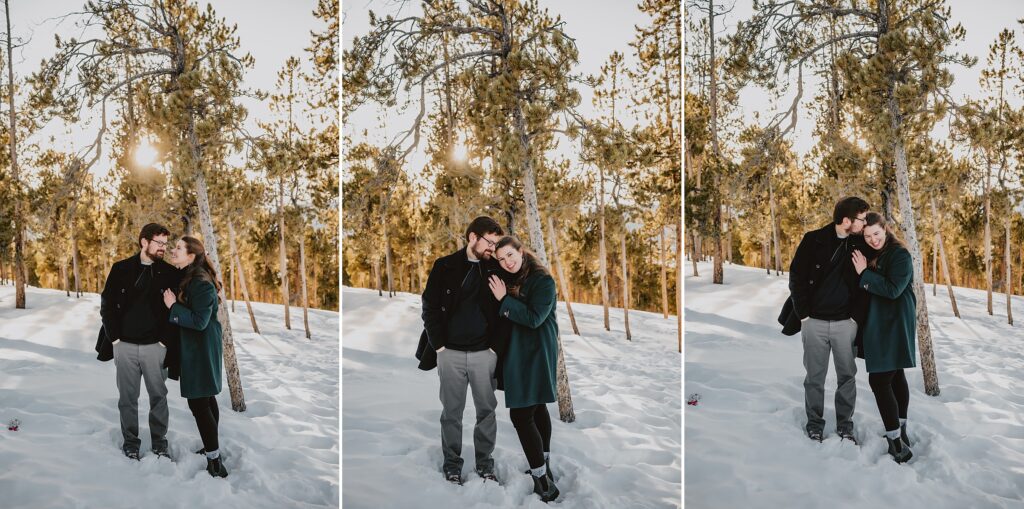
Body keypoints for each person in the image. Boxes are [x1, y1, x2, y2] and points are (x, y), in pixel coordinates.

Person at [415, 216, 507, 485]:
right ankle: (452, 464)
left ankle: (485, 463)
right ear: (472, 237)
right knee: (451, 413)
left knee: (486, 412)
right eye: (489, 242)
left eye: (496, 243)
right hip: (450, 354)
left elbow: (504, 311)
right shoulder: (444, 266)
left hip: (484, 354)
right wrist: (440, 346)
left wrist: (494, 349)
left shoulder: (495, 269)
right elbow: (429, 307)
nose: (492, 248)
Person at [778, 197, 872, 443]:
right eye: (862, 219)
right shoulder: (813, 239)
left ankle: (845, 425)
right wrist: (804, 315)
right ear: (846, 220)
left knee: (847, 378)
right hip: (814, 323)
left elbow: (866, 283)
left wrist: (855, 319)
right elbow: (796, 277)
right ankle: (814, 424)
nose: (865, 223)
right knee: (814, 378)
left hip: (845, 324)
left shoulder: (860, 244)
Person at [99, 223, 183, 461]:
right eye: (159, 243)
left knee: (159, 397)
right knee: (127, 399)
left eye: (165, 243)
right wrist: (115, 338)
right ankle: (131, 442)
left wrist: (164, 342)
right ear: (144, 242)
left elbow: (175, 310)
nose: (163, 248)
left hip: (156, 348)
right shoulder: (121, 268)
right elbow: (106, 305)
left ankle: (159, 442)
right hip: (124, 346)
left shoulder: (170, 273)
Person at [488, 236, 560, 503]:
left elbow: (534, 318)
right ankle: (545, 465)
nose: (507, 262)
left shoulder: (543, 281)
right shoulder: (512, 278)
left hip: (537, 352)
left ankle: (542, 481)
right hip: (519, 351)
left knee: (521, 414)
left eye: (510, 255)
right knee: (537, 407)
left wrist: (504, 300)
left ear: (521, 250)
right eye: (501, 259)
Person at [851, 212, 917, 463]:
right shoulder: (876, 253)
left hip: (895, 322)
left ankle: (896, 444)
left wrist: (863, 274)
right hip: (883, 320)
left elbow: (893, 289)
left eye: (876, 233)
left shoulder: (900, 255)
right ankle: (900, 430)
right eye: (868, 236)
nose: (873, 239)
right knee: (895, 374)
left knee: (879, 380)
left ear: (886, 228)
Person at [162, 236, 228, 478]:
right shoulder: (191, 275)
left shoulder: (200, 282)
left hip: (201, 348)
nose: (173, 250)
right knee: (206, 399)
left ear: (191, 256)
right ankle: (213, 447)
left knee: (199, 403)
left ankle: (215, 461)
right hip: (198, 346)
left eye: (179, 248)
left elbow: (200, 321)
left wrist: (173, 306)